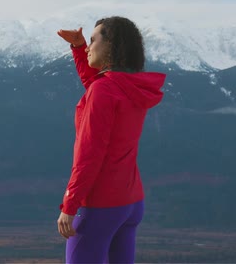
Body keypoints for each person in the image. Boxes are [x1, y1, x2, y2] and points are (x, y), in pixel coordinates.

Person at [56, 16, 166, 264]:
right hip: (130, 203)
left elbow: (89, 154)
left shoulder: (105, 90)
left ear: (111, 46)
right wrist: (77, 47)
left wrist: (70, 205)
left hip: (99, 204)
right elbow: (95, 85)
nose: (88, 47)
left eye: (93, 41)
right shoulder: (129, 86)